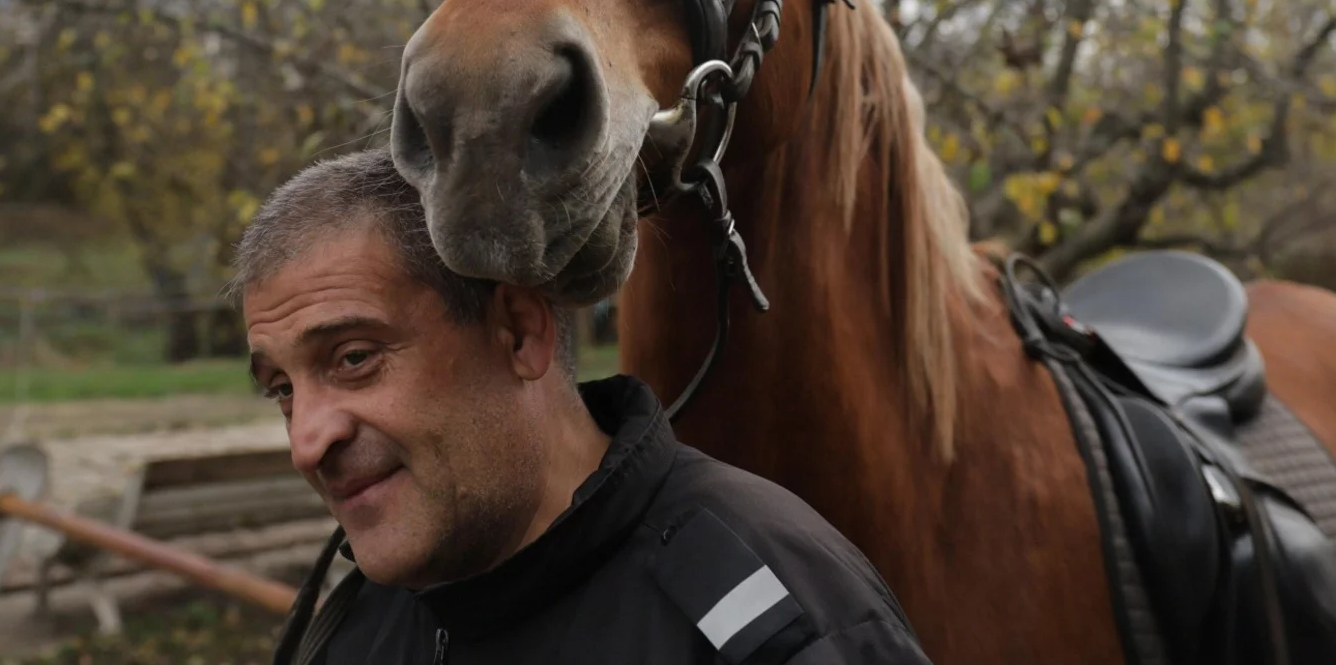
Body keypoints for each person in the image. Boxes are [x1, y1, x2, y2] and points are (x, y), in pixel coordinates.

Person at [235, 148, 931, 665]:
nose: (307, 441)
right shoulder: (354, 628)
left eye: (354, 358)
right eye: (283, 391)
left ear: (519, 330)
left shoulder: (770, 620)